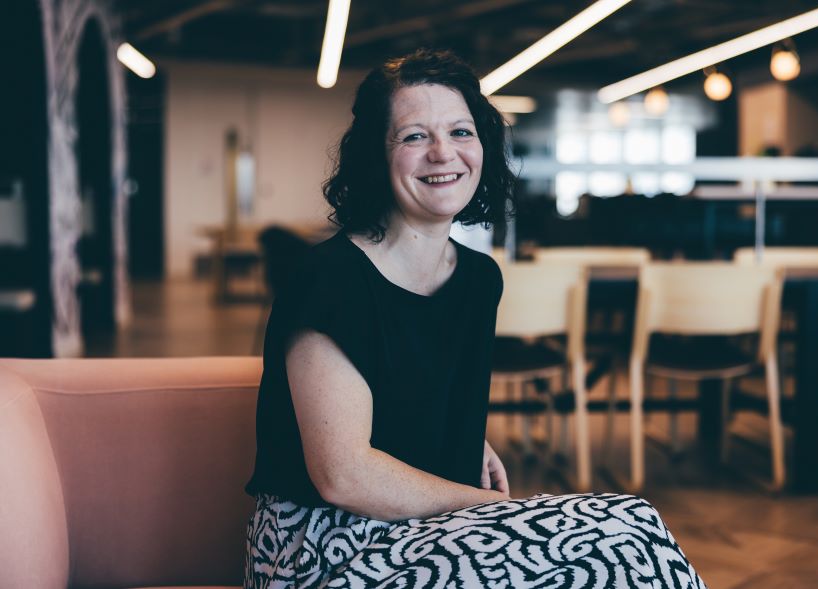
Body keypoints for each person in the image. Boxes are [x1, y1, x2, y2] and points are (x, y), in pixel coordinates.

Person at [244, 49, 706, 589]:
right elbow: (343, 475)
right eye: (414, 136)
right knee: (616, 548)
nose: (444, 153)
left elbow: (415, 380)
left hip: (424, 527)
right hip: (324, 546)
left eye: (461, 132)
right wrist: (493, 508)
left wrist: (464, 443)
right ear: (376, 154)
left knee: (636, 521)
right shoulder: (329, 278)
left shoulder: (478, 279)